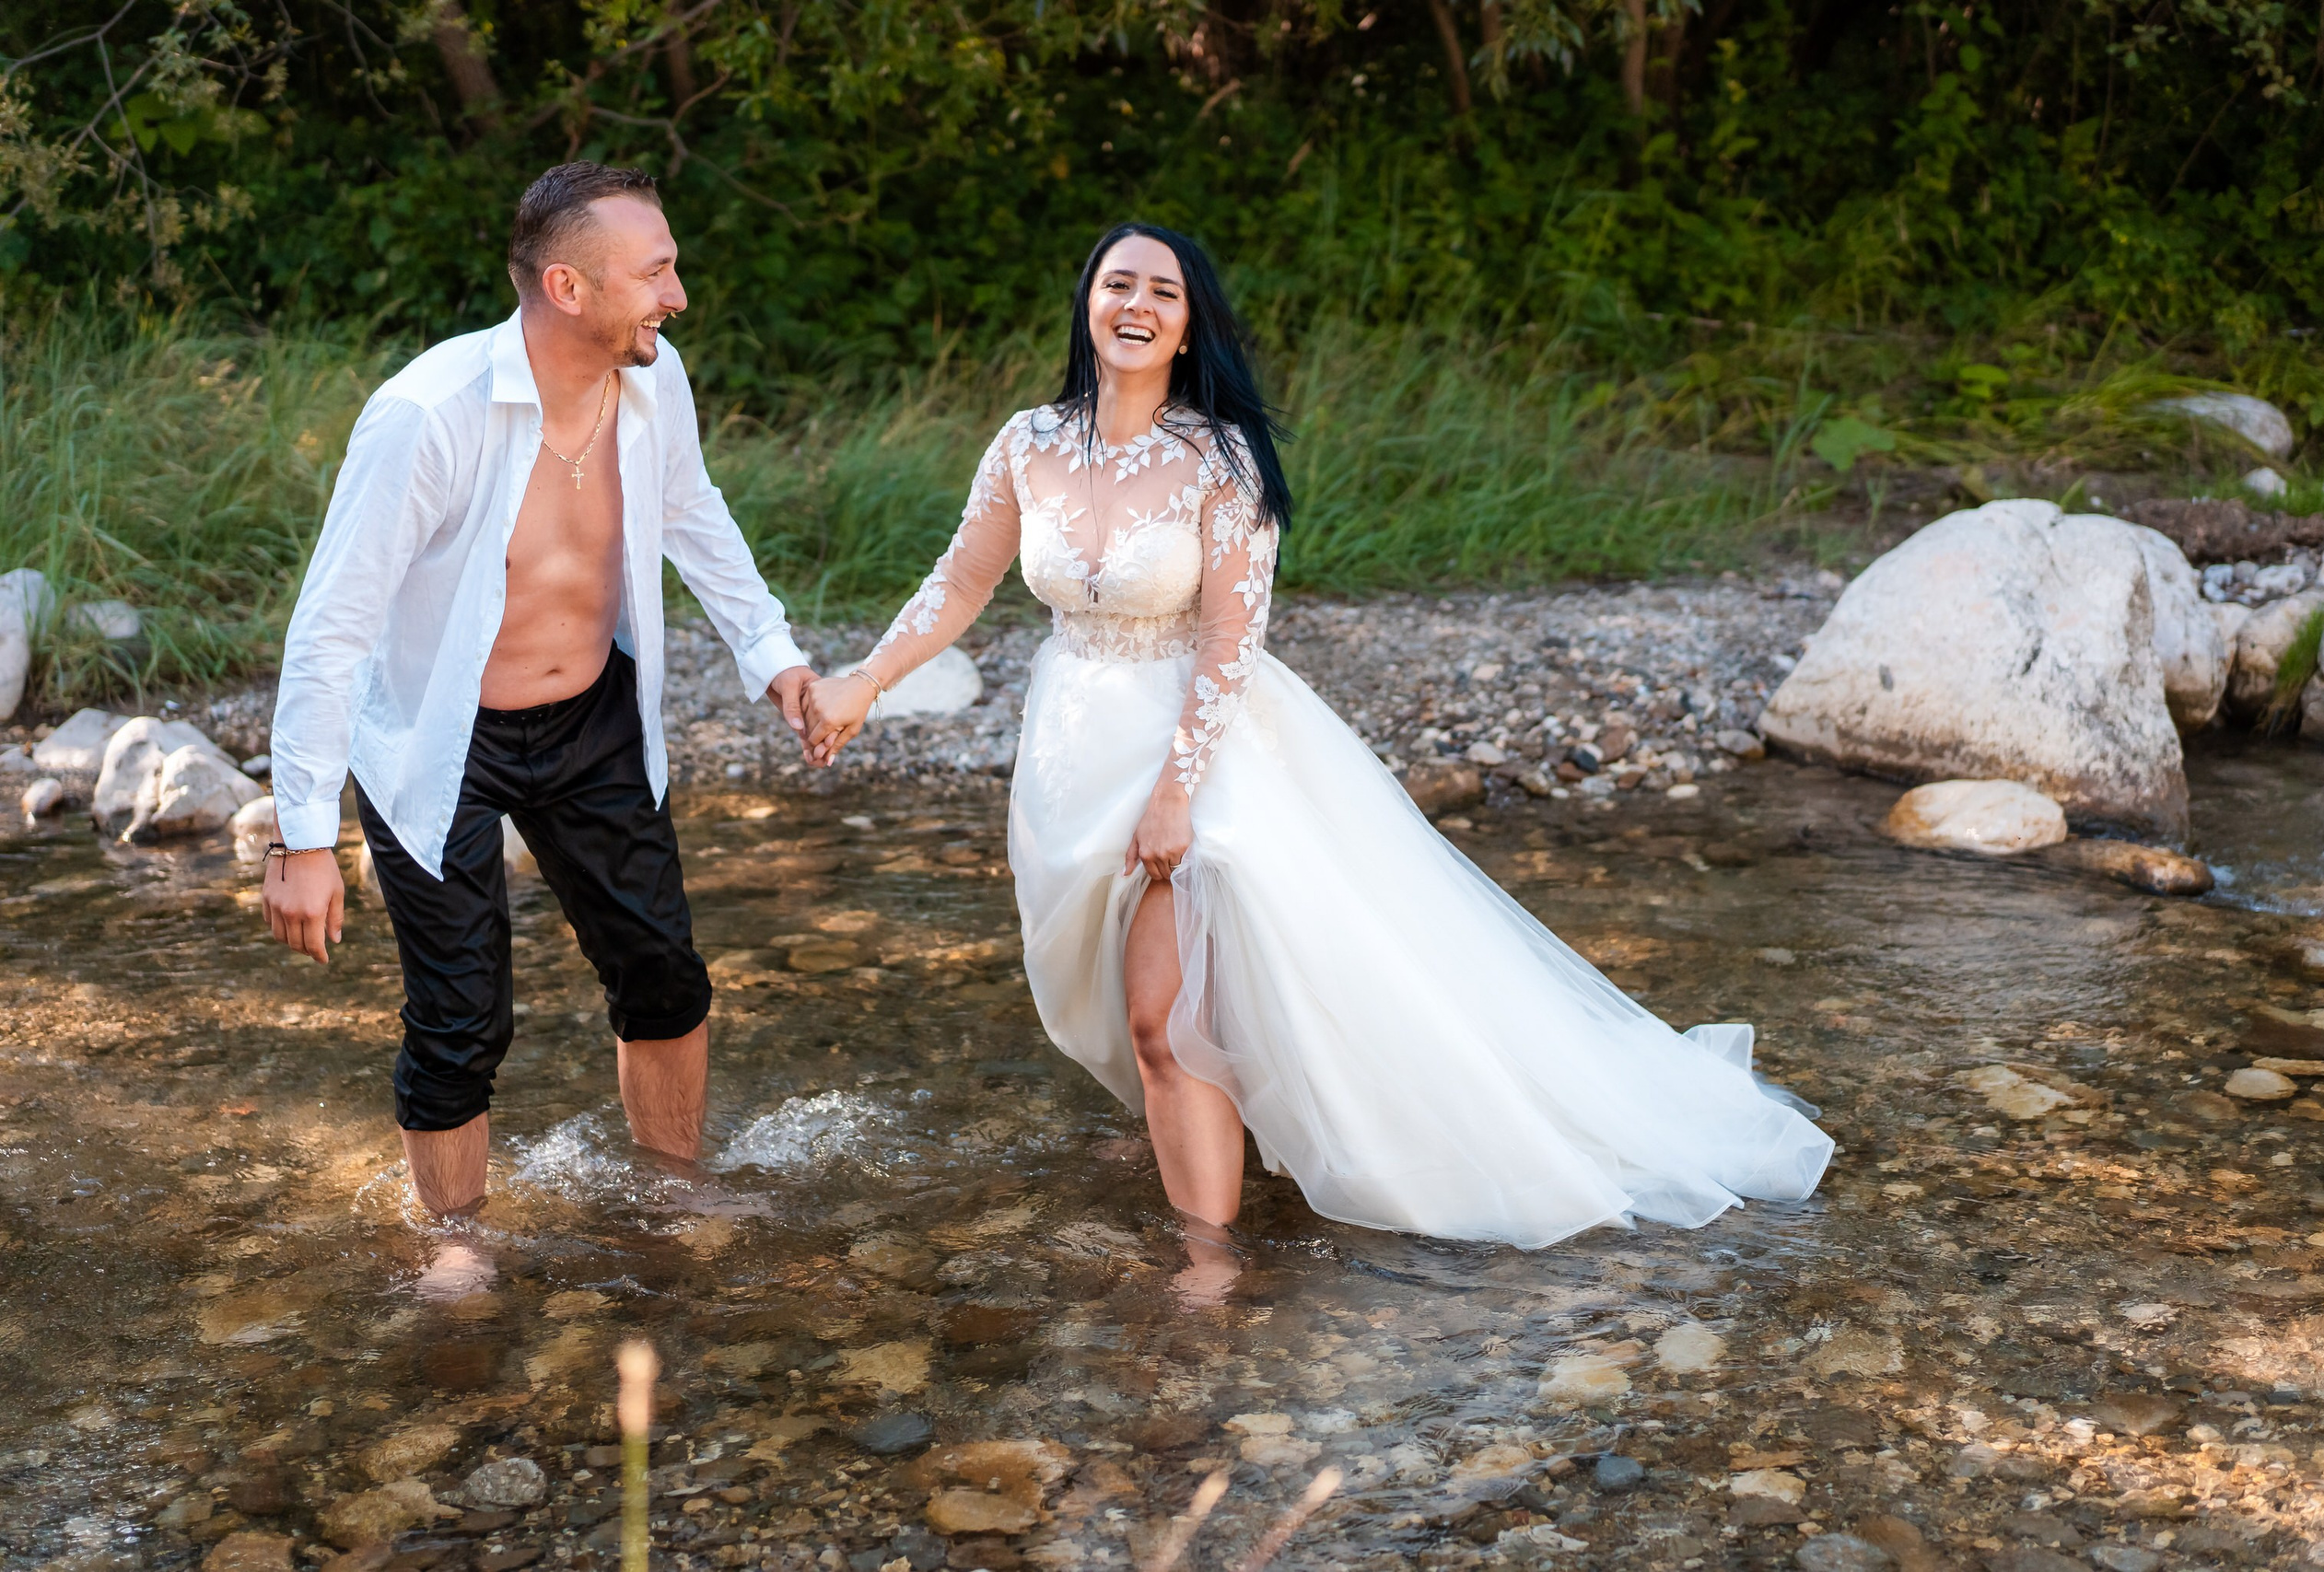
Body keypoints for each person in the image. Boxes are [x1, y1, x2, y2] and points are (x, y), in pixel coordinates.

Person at [799, 222, 1832, 1298]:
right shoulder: (1027, 441)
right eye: (1118, 283)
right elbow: (960, 583)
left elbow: (1227, 643)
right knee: (1116, 1007)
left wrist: (1173, 794)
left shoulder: (1222, 457)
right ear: (1087, 301)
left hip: (1193, 747)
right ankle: (1196, 1132)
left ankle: (1207, 1269)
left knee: (1164, 1015)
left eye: (1163, 289)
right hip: (1066, 747)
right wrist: (863, 681)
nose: (1136, 304)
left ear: (1189, 321)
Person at [261, 162, 817, 1218]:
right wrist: (299, 837)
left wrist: (774, 655)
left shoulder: (658, 380)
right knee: (463, 1016)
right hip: (438, 734)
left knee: (663, 975)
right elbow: (331, 626)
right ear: (569, 288)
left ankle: (671, 1192)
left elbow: (695, 516)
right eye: (656, 272)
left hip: (592, 717)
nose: (678, 296)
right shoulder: (426, 415)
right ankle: (457, 1243)